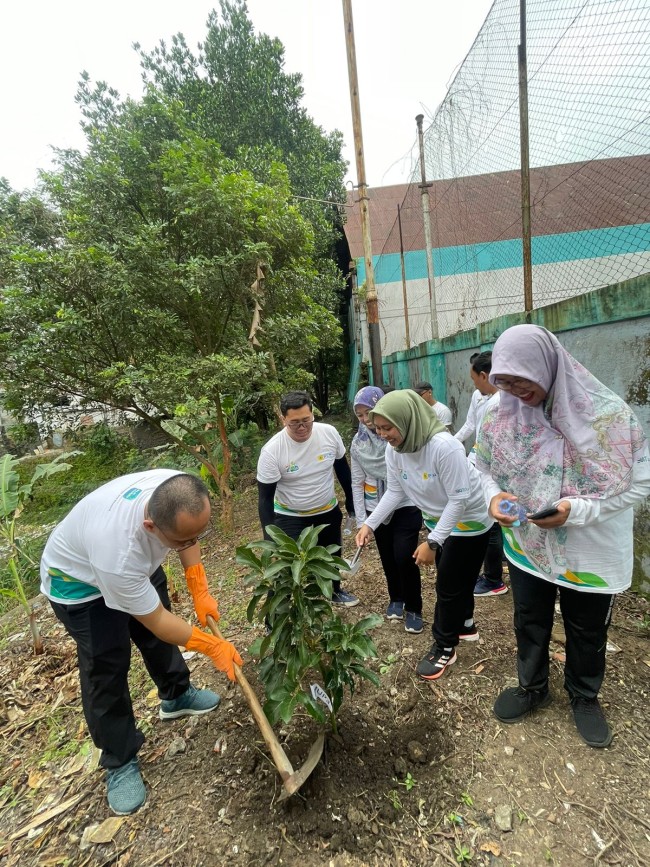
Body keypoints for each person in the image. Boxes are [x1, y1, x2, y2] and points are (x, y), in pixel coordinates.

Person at [475, 324, 650, 748]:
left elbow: (639, 483)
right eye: (504, 380)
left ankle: (584, 696)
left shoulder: (607, 415)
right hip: (528, 545)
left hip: (588, 551)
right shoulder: (499, 414)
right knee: (530, 618)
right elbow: (478, 466)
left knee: (586, 628)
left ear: (546, 365)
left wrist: (577, 510)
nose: (514, 390)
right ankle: (532, 686)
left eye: (521, 378)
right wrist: (495, 496)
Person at [41, 470, 243, 815]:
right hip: (79, 585)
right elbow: (160, 623)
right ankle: (119, 762)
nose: (192, 542)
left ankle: (177, 695)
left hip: (136, 565)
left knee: (154, 636)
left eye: (199, 533)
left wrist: (199, 586)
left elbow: (188, 536)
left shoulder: (174, 489)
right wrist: (211, 646)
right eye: (182, 540)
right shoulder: (117, 555)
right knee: (107, 665)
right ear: (152, 528)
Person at [355, 390, 491, 681]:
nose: (382, 434)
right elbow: (395, 491)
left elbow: (459, 499)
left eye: (388, 428)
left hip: (468, 521)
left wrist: (432, 541)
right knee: (457, 577)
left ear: (408, 420)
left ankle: (444, 645)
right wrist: (369, 524)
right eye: (378, 428)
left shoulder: (444, 447)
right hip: (439, 519)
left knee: (448, 584)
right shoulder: (396, 450)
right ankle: (465, 624)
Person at [257, 390, 360, 607]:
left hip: (327, 510)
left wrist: (352, 501)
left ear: (313, 414)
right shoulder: (273, 451)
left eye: (307, 420)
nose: (302, 427)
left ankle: (334, 591)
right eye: (294, 423)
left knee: (331, 555)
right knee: (286, 566)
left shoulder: (329, 433)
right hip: (290, 515)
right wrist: (269, 535)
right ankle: (277, 612)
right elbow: (265, 499)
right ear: (283, 419)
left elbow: (343, 470)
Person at [351, 386, 424, 632]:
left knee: (405, 556)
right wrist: (363, 520)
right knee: (388, 558)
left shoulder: (399, 439)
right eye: (359, 414)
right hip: (374, 509)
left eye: (369, 412)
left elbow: (402, 484)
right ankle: (397, 598)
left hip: (405, 506)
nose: (365, 419)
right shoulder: (359, 444)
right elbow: (356, 481)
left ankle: (414, 607)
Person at [455, 351, 507, 597]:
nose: (472, 382)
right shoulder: (479, 396)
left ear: (484, 375)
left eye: (473, 377)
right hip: (478, 462)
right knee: (488, 519)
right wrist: (452, 444)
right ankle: (490, 571)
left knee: (493, 522)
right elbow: (470, 426)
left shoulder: (506, 402)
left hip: (497, 469)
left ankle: (494, 579)